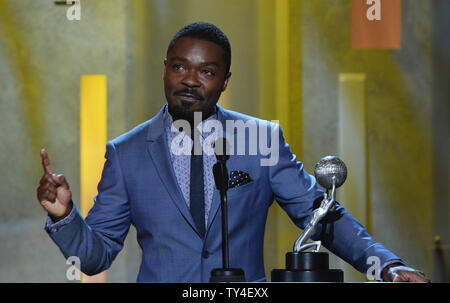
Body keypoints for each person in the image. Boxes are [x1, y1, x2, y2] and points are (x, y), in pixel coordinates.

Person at [37, 22, 429, 283]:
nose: (189, 80)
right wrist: (65, 216)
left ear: (225, 80)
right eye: (179, 67)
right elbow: (95, 256)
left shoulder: (260, 139)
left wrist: (387, 267)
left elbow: (320, 216)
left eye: (206, 71)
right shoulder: (126, 153)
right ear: (164, 70)